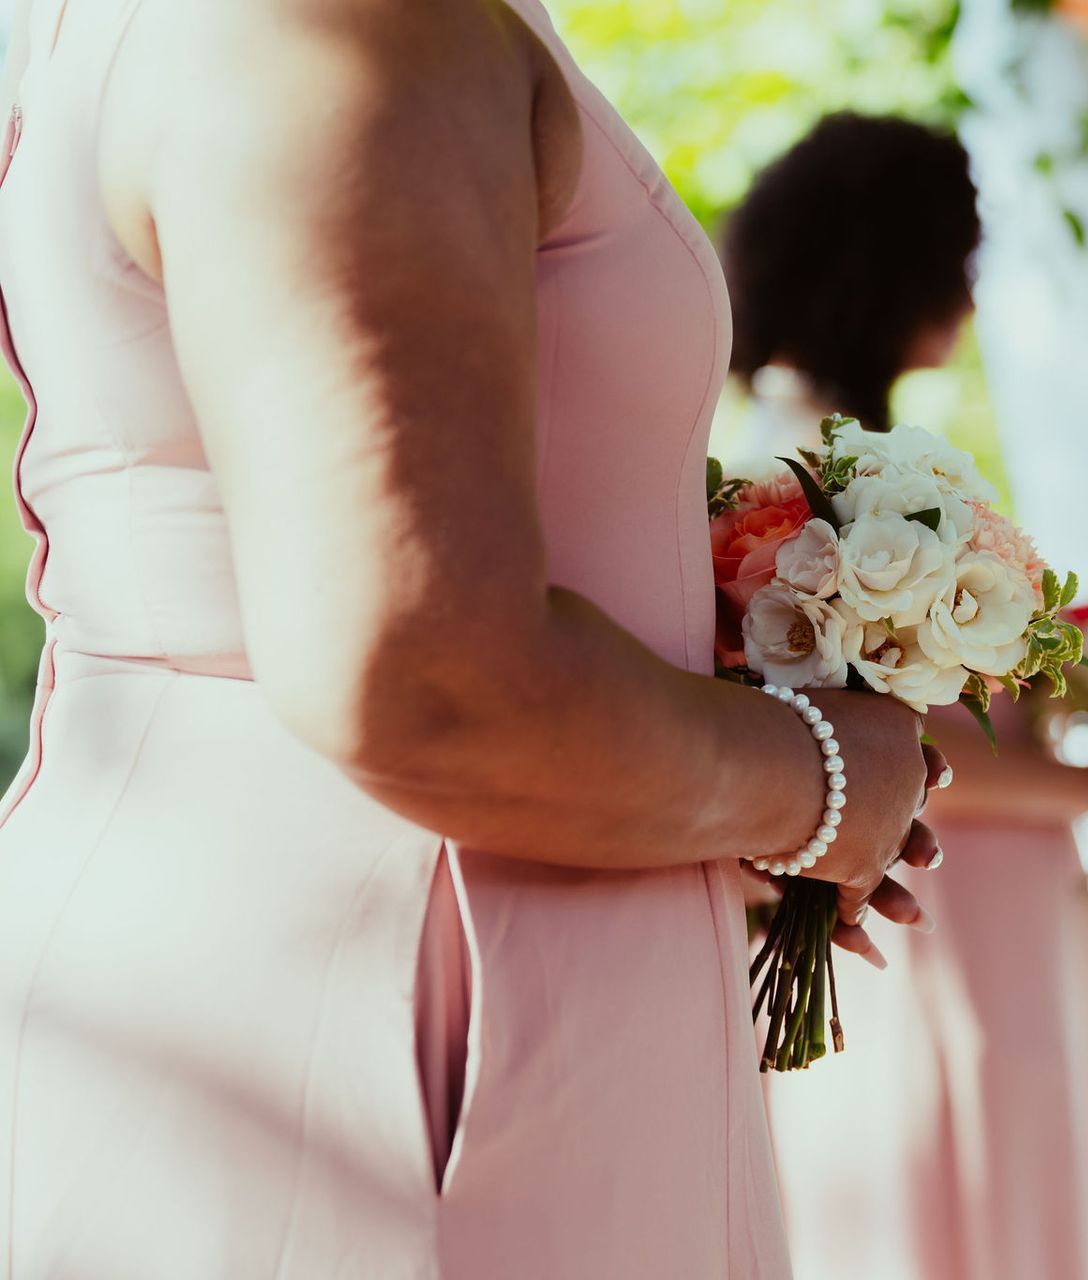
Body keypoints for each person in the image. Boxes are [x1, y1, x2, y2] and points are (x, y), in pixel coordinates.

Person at [0, 1, 944, 1274]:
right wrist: (827, 777)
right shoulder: (354, 22)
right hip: (384, 974)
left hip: (362, 914)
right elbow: (429, 682)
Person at [725, 113, 1088, 1279]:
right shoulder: (800, 477)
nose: (976, 291)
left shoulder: (857, 457)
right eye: (962, 256)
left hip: (990, 908)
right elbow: (865, 740)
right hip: (932, 910)